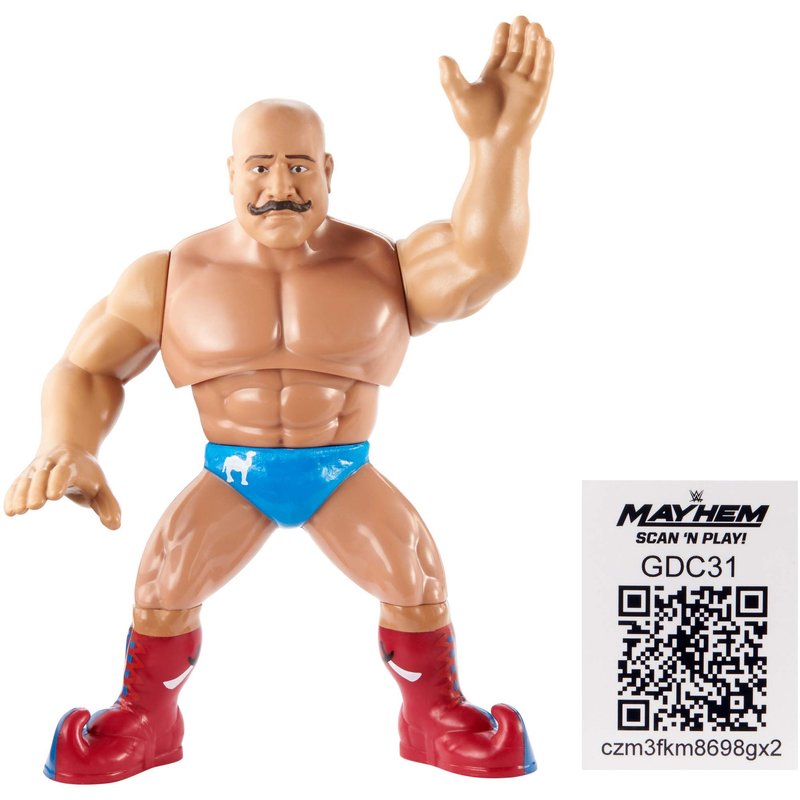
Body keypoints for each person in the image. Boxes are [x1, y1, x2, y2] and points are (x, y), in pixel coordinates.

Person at [5, 16, 553, 783]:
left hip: (340, 468)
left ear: (329, 170)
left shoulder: (384, 266)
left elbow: (482, 262)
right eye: (260, 168)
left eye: (299, 167)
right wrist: (68, 444)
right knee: (162, 584)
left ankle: (432, 716)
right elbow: (88, 368)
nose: (279, 188)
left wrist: (501, 147)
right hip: (235, 469)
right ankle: (147, 721)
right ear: (230, 173)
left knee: (415, 578)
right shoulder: (170, 276)